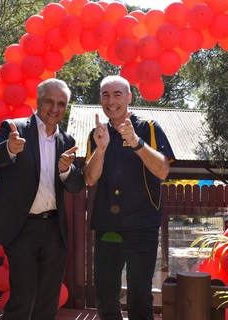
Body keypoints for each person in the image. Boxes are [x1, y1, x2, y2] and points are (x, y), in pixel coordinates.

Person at [0, 78, 85, 320]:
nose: (55, 109)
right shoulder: (14, 128)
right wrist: (8, 149)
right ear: (38, 101)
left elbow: (77, 186)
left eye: (61, 104)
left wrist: (67, 170)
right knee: (22, 300)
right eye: (49, 102)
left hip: (55, 230)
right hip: (23, 228)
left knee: (48, 302)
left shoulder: (67, 141)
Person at [84, 75, 175, 320]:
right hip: (107, 226)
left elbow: (163, 171)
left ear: (129, 98)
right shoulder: (97, 134)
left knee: (138, 297)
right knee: (105, 298)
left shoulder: (149, 128)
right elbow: (90, 178)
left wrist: (135, 142)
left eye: (117, 94)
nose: (111, 101)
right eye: (105, 95)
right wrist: (101, 149)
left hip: (142, 226)